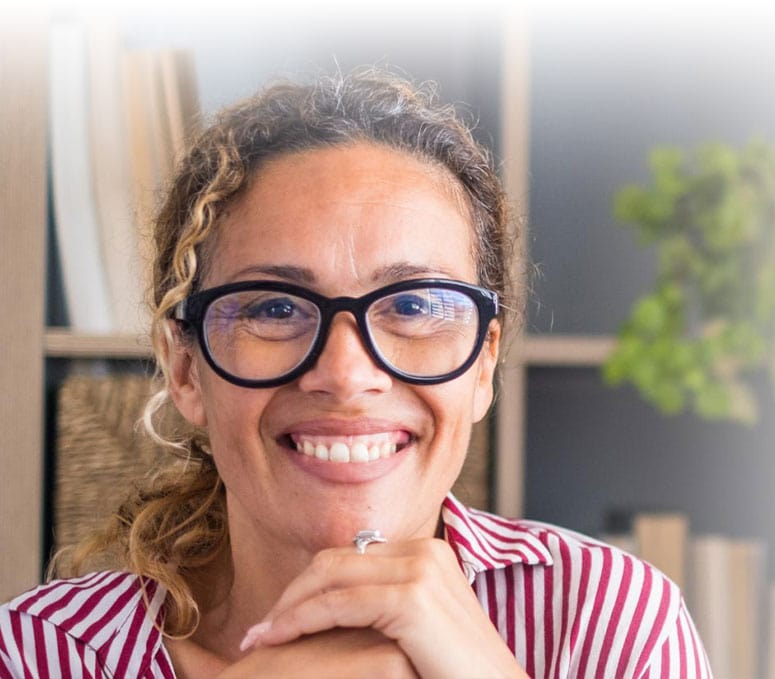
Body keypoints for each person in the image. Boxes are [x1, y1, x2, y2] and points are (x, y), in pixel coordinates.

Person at [0, 68, 712, 678]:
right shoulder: (39, 652)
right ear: (184, 367)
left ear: (484, 363)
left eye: (413, 303)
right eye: (275, 306)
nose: (346, 374)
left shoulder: (605, 622)